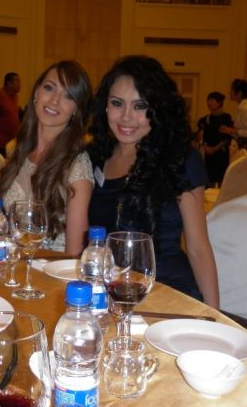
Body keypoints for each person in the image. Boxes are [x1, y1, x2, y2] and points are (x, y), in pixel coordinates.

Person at [87, 55, 219, 308]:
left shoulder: (180, 160)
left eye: (140, 106)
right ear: (105, 106)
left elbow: (198, 247)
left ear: (158, 109)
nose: (126, 117)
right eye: (117, 103)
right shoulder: (95, 159)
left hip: (167, 291)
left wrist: (214, 315)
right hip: (110, 293)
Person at [0, 60, 93, 255]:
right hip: (13, 267)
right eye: (49, 88)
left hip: (47, 272)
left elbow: (74, 256)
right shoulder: (20, 150)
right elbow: (7, 230)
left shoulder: (76, 165)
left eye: (68, 96)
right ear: (36, 93)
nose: (54, 100)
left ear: (76, 109)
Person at [196, 91, 233, 186]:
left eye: (212, 100)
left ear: (219, 102)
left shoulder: (226, 117)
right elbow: (203, 136)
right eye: (208, 100)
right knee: (209, 179)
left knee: (222, 180)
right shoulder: (206, 118)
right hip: (208, 153)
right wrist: (205, 147)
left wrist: (215, 149)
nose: (209, 102)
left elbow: (227, 138)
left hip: (221, 153)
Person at [221, 78, 247, 161]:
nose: (230, 93)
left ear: (239, 93)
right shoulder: (244, 106)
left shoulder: (245, 108)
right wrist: (230, 130)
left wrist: (233, 131)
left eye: (231, 91)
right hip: (245, 146)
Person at [0, 72, 21, 156]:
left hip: (11, 142)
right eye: (17, 81)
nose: (20, 84)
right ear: (9, 83)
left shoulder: (15, 97)